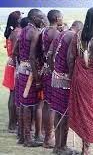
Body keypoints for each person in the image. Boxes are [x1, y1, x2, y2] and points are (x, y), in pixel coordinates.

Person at [68, 7, 93, 154]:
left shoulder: (77, 35)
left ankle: (85, 147)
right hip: (92, 82)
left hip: (78, 78)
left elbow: (71, 59)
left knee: (83, 113)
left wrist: (71, 78)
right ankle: (86, 149)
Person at [48, 21, 83, 154]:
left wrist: (54, 70)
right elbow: (70, 59)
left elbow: (50, 55)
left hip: (56, 77)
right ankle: (61, 147)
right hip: (65, 80)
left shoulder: (60, 34)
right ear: (78, 29)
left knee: (58, 112)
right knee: (65, 114)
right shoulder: (73, 36)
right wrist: (72, 76)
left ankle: (58, 146)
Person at [13, 9, 46, 147]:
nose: (43, 19)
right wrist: (37, 78)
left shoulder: (23, 30)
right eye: (40, 17)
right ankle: (27, 139)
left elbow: (15, 51)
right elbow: (33, 56)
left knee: (22, 103)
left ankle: (22, 137)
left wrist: (22, 62)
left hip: (21, 69)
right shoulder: (35, 32)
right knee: (27, 105)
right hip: (29, 72)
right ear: (33, 17)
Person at [41, 9, 64, 148]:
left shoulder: (44, 31)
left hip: (45, 69)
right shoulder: (56, 33)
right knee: (51, 105)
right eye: (61, 17)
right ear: (56, 18)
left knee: (46, 104)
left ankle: (47, 136)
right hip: (51, 71)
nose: (62, 19)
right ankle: (49, 138)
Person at [2, 11, 22, 133]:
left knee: (13, 94)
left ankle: (12, 123)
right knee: (14, 94)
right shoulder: (17, 33)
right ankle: (12, 124)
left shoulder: (10, 32)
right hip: (15, 65)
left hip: (11, 65)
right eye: (21, 17)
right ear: (17, 20)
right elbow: (16, 53)